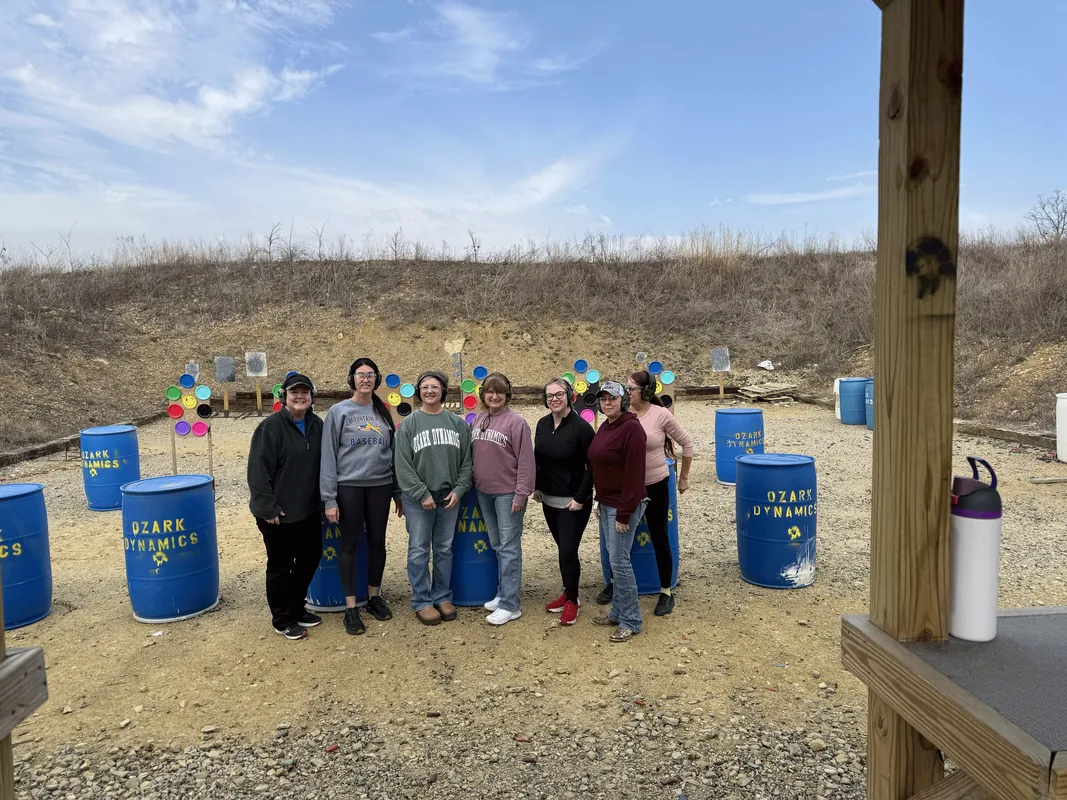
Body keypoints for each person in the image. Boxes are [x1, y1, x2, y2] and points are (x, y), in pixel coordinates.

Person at [596, 370, 696, 615]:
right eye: (627, 388)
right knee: (616, 541)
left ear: (647, 391)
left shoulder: (660, 415)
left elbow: (687, 443)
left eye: (633, 388)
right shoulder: (622, 414)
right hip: (626, 487)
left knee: (659, 536)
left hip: (655, 483)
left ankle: (665, 591)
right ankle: (614, 583)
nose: (628, 391)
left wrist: (683, 477)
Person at [320, 357, 404, 636]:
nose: (365, 379)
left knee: (377, 542)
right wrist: (329, 498)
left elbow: (392, 455)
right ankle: (351, 607)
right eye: (360, 374)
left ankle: (374, 596)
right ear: (352, 379)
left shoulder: (383, 411)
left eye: (370, 375)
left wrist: (397, 492)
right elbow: (328, 457)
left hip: (380, 486)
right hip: (349, 487)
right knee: (349, 545)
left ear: (376, 379)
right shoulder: (339, 411)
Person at [247, 372, 325, 640]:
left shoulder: (318, 425)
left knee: (310, 559)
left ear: (312, 397)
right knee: (280, 566)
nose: (300, 396)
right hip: (278, 516)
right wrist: (267, 507)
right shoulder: (270, 428)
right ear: (284, 397)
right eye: (294, 392)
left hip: (309, 511)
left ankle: (295, 607)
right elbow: (258, 472)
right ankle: (282, 618)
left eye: (305, 392)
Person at [394, 370, 473, 626]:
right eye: (425, 387)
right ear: (419, 392)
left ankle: (441, 595)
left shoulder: (458, 423)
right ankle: (421, 600)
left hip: (448, 497)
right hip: (418, 499)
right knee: (418, 549)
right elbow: (402, 465)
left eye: (435, 386)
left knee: (443, 549)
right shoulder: (409, 424)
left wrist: (459, 489)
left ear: (443, 390)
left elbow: (466, 463)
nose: (430, 391)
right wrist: (421, 493)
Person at [471, 372, 535, 626]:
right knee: (498, 545)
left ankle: (511, 604)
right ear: (483, 395)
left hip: (508, 493)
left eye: (499, 392)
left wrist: (521, 492)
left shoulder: (517, 422)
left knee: (509, 548)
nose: (494, 396)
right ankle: (503, 593)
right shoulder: (479, 419)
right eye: (489, 391)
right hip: (484, 492)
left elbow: (527, 462)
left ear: (507, 395)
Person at [587, 381, 648, 643]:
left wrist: (624, 513)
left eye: (612, 398)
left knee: (620, 563)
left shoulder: (632, 429)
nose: (607, 403)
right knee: (615, 560)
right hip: (607, 503)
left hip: (623, 505)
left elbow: (635, 476)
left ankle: (631, 619)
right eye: (603, 399)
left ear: (622, 400)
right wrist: (600, 501)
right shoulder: (606, 426)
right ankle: (618, 611)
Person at [531, 377, 595, 626]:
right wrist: (537, 486)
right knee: (562, 550)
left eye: (559, 394)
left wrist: (580, 497)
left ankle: (573, 601)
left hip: (574, 502)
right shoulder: (542, 424)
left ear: (570, 396)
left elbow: (592, 466)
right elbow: (540, 459)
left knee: (568, 551)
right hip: (549, 499)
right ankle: (568, 590)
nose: (554, 399)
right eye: (549, 396)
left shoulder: (582, 427)